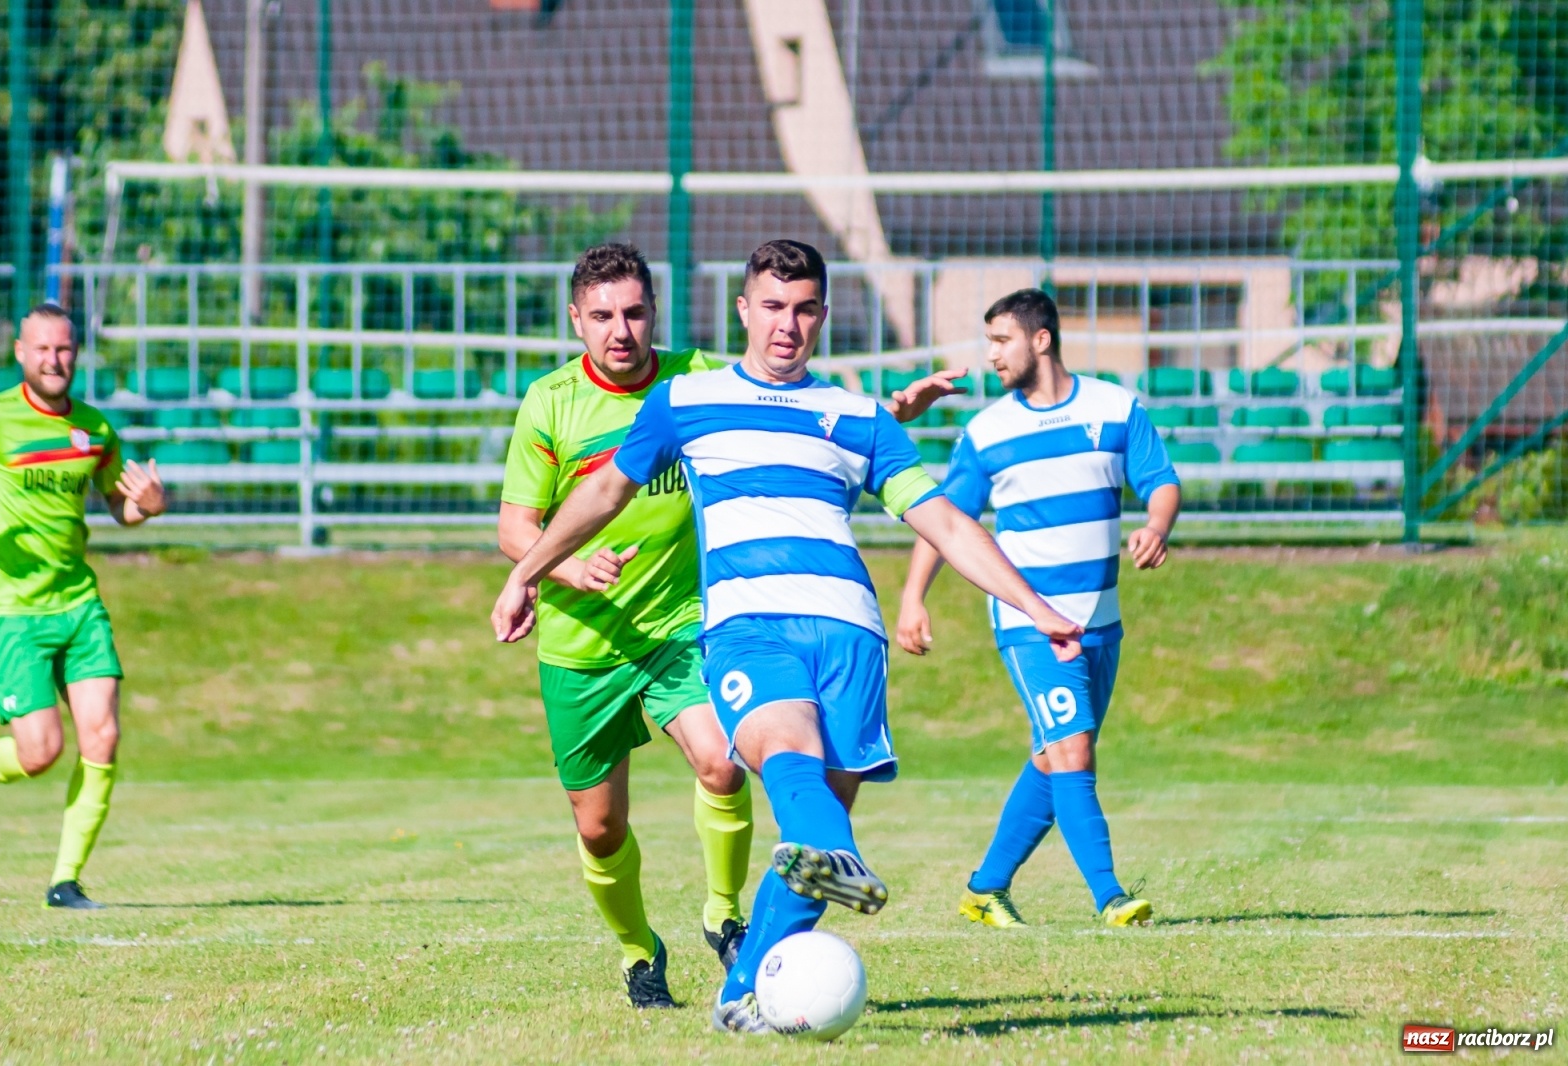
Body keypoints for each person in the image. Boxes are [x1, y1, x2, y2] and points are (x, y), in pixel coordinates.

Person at [491, 240, 1082, 1034]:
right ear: (743, 310)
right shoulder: (686, 400)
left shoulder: (857, 416)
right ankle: (827, 859)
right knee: (780, 758)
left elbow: (939, 516)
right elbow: (603, 492)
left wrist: (1035, 604)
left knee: (807, 849)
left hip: (850, 637)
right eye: (772, 306)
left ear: (824, 317)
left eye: (804, 309)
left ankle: (741, 992)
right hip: (745, 627)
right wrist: (528, 570)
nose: (786, 325)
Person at [896, 287, 1181, 930]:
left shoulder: (1115, 408)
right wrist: (913, 597)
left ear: (1041, 339)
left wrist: (1157, 525)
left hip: (1102, 623)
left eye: (1001, 340)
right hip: (1030, 626)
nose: (991, 354)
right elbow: (946, 521)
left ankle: (985, 888)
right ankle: (1110, 899)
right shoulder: (988, 432)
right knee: (1074, 754)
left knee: (1055, 758)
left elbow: (1160, 480)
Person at [0, 302, 167, 909]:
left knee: (102, 735)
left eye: (65, 350)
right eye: (43, 349)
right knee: (40, 753)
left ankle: (65, 881)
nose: (55, 360)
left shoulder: (95, 428)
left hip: (78, 604)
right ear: (21, 353)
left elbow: (119, 506)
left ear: (76, 355)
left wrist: (149, 505)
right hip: (11, 610)